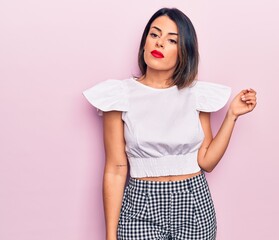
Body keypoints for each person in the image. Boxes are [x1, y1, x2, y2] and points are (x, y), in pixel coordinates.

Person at [83, 7, 257, 240]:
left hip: (194, 202)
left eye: (171, 40)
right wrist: (110, 236)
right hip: (140, 207)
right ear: (144, 42)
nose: (159, 43)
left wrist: (232, 115)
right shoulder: (119, 95)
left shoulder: (196, 94)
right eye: (154, 35)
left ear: (184, 50)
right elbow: (116, 168)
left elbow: (206, 161)